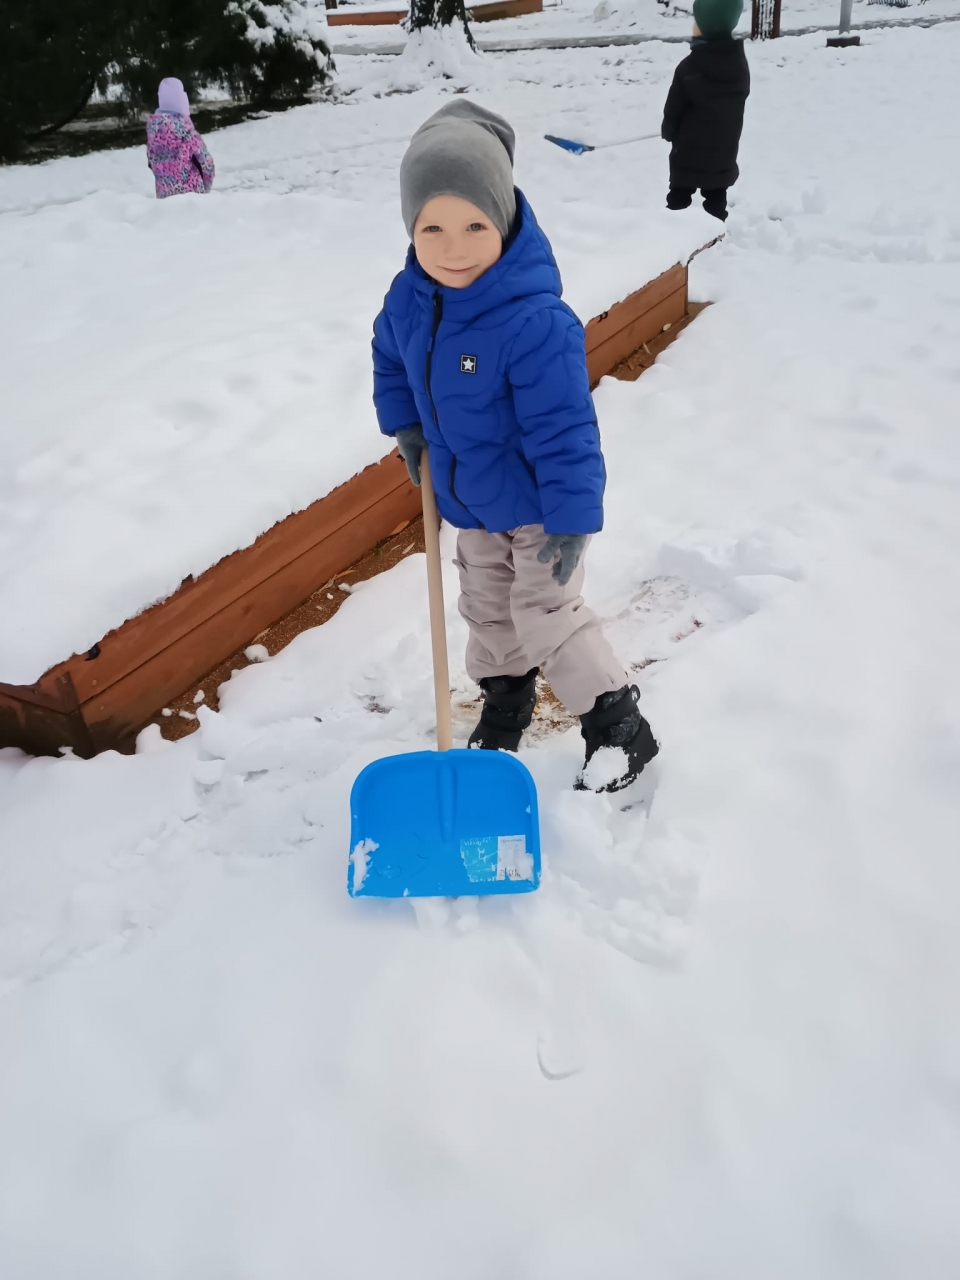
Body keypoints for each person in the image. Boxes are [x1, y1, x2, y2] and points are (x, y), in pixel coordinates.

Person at [371, 100, 658, 792]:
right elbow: (389, 358)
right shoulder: (409, 299)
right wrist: (405, 426)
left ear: (504, 219)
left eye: (474, 223)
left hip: (539, 509)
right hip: (470, 500)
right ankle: (506, 699)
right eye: (431, 226)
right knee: (487, 608)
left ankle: (618, 726)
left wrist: (570, 519)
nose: (453, 246)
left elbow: (565, 430)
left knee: (544, 612)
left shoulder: (535, 322)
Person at [661, 0, 750, 222]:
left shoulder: (689, 67)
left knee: (681, 191)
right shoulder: (738, 65)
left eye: (697, 21)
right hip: (724, 149)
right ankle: (715, 228)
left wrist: (669, 129)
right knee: (716, 194)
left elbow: (674, 106)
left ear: (706, 27)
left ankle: (673, 226)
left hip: (689, 150)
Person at [145, 78, 215, 199]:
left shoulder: (153, 135)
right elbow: (207, 163)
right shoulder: (187, 133)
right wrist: (206, 187)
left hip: (165, 200)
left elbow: (152, 164)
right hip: (192, 198)